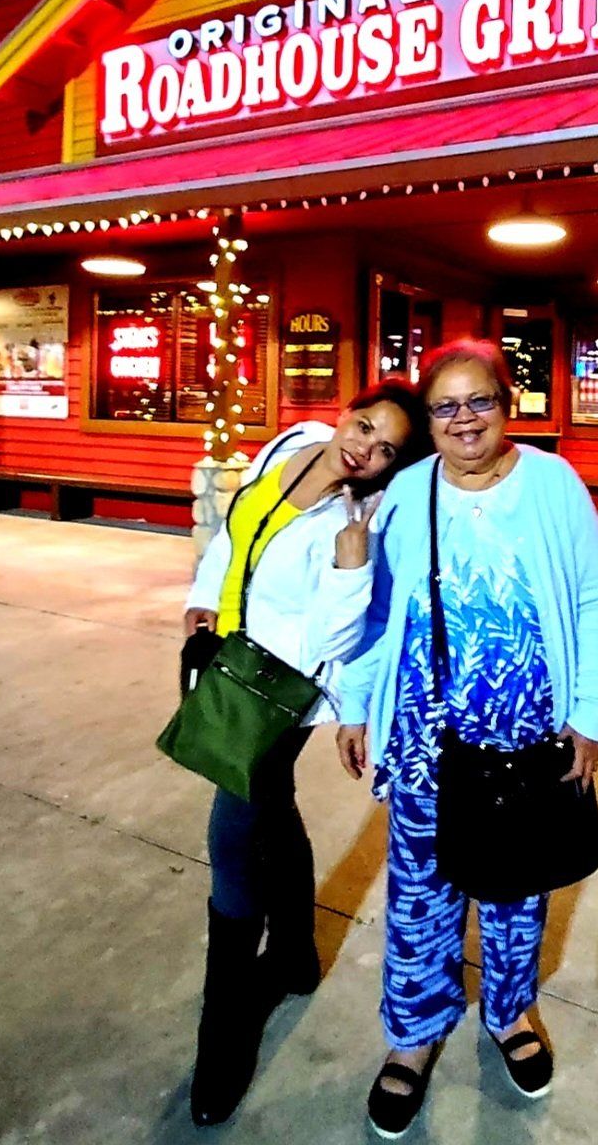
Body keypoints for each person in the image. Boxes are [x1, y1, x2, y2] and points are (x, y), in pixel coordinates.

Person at [336, 339, 598, 1138]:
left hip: (529, 727)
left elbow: (596, 597)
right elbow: (375, 607)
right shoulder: (408, 492)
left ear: (508, 406)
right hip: (428, 731)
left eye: (479, 402)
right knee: (420, 891)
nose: (464, 420)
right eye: (445, 407)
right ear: (430, 420)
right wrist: (357, 703)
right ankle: (415, 1035)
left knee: (516, 885)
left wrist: (592, 714)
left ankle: (508, 1012)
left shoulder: (553, 485)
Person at [182, 378, 429, 1128]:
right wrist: (204, 593)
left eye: (386, 450)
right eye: (365, 427)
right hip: (229, 657)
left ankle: (222, 1041)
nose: (365, 449)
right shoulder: (291, 445)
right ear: (346, 413)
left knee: (229, 839)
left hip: (282, 690)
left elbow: (337, 640)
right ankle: (293, 955)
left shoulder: (361, 520)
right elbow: (236, 530)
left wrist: (353, 568)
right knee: (270, 808)